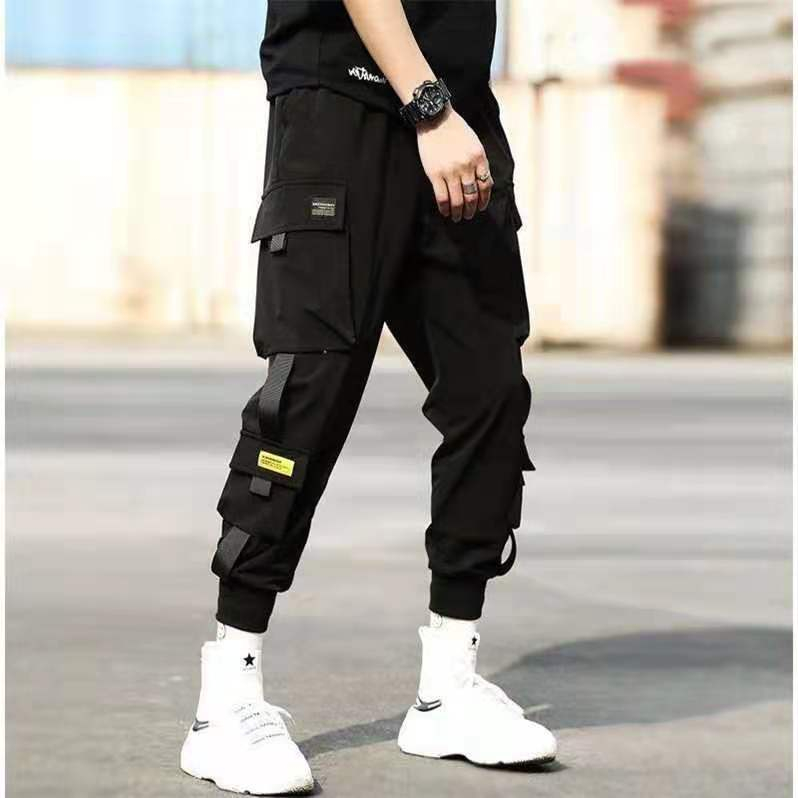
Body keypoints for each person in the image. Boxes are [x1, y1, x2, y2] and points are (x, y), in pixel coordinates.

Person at [180, 1, 557, 793]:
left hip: (457, 115)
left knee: (490, 394)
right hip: (345, 105)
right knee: (307, 397)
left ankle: (448, 686)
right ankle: (227, 698)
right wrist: (427, 105)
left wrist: (446, 110)